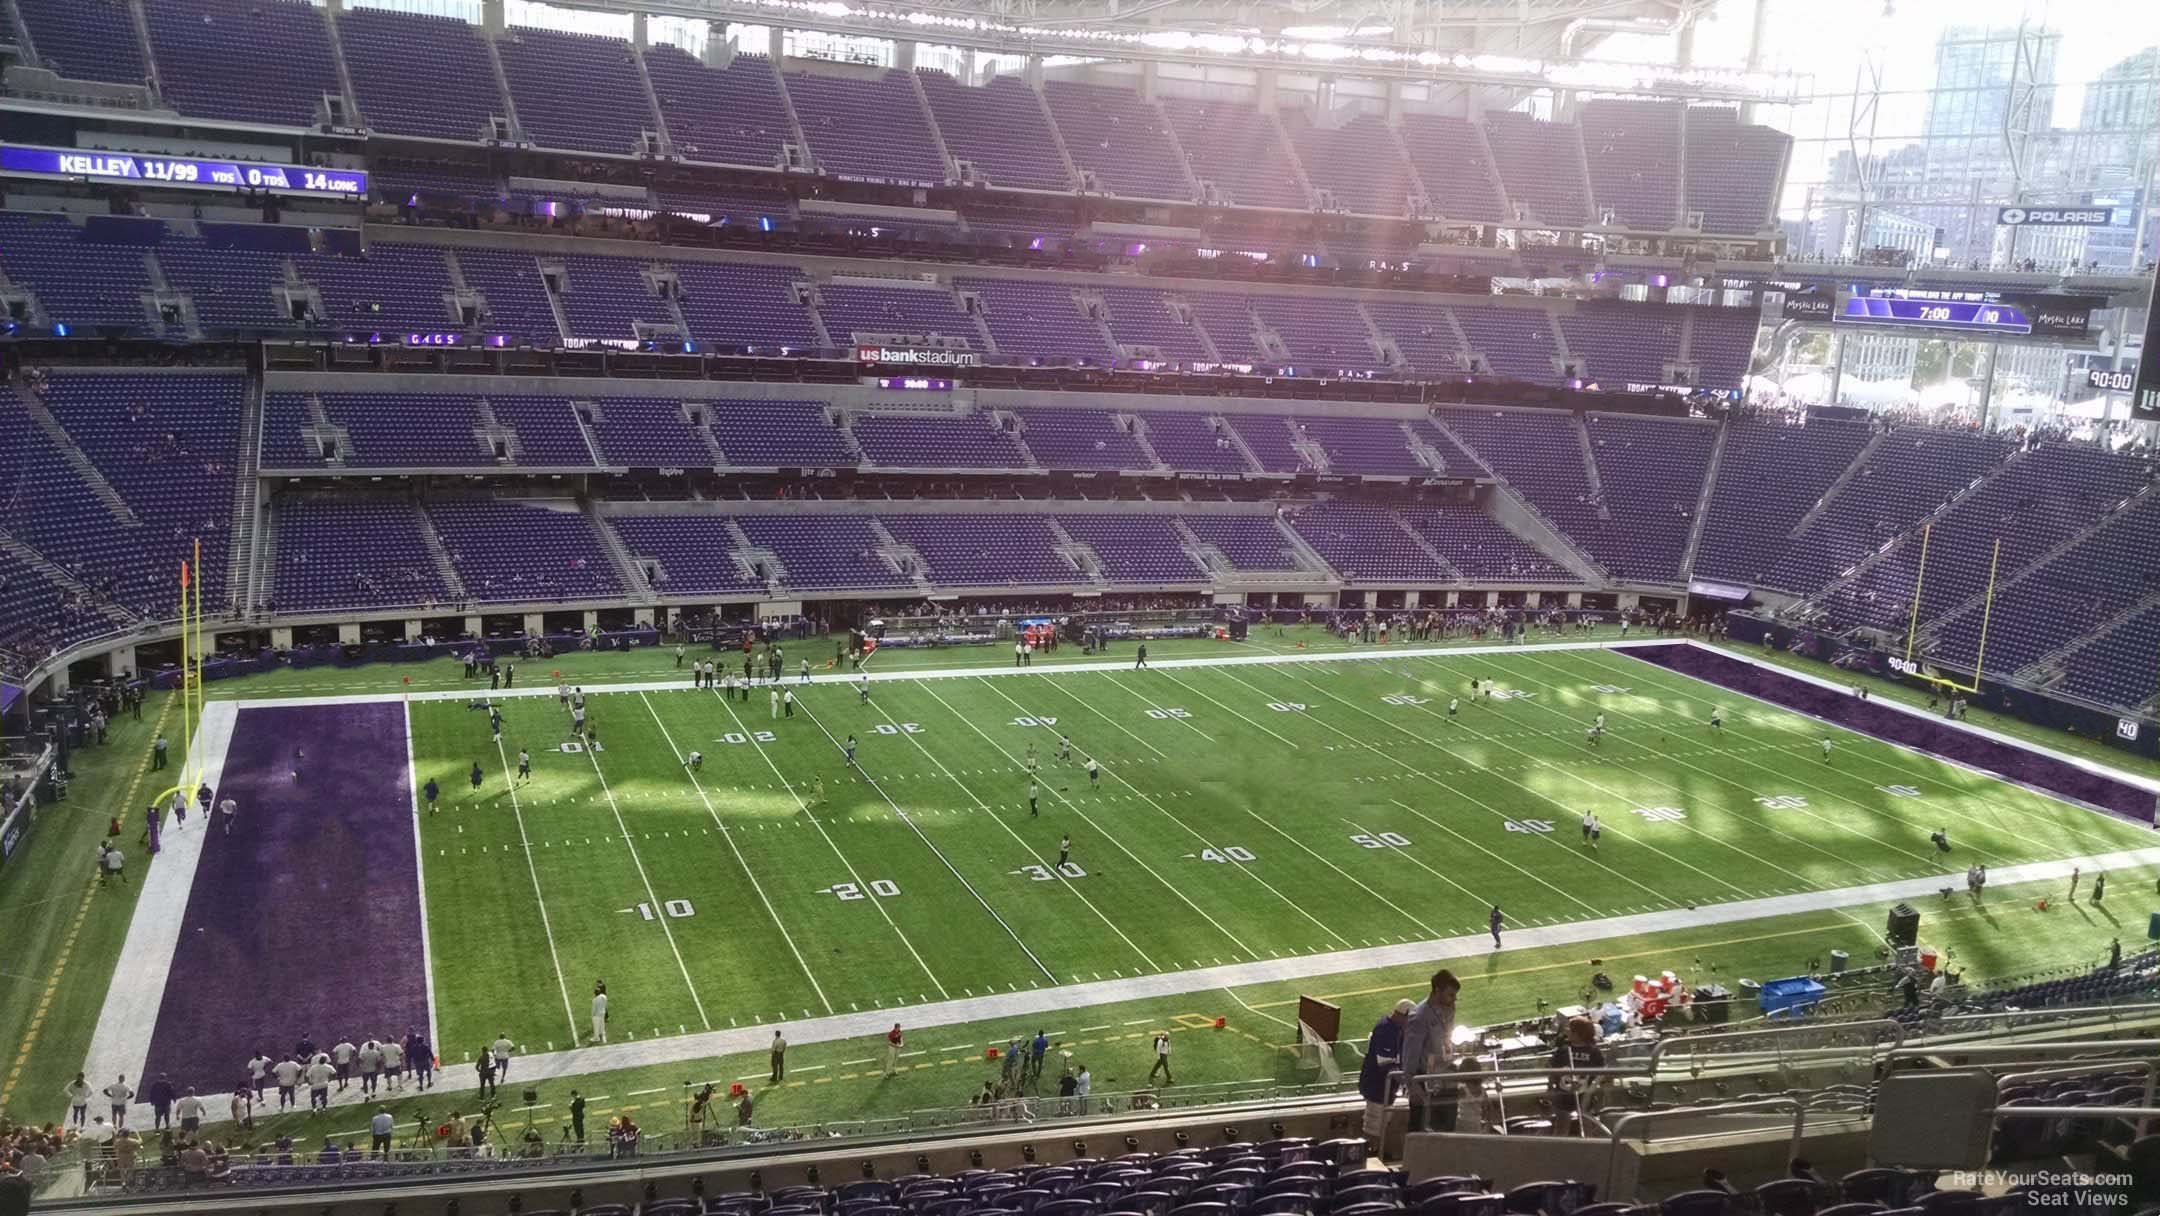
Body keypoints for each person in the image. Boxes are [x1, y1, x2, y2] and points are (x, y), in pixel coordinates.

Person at [1400, 970, 1461, 1133]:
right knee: (1422, 1131)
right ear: (1436, 991)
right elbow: (1410, 1053)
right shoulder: (1419, 1016)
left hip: (1446, 1078)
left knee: (1447, 1129)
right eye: (1450, 995)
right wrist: (1412, 1085)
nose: (1454, 999)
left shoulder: (1450, 1009)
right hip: (1426, 1081)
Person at [1358, 1000, 1413, 1138]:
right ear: (1404, 1015)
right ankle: (1370, 1154)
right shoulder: (1386, 1031)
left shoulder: (1394, 1028)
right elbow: (1386, 1064)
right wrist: (1407, 1082)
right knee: (1373, 1126)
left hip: (1385, 1089)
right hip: (1377, 1087)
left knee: (1381, 1124)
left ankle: (1375, 1151)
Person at [1548, 1016, 1604, 1137]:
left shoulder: (1594, 1052)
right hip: (1563, 1094)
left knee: (1586, 1124)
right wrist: (1551, 1086)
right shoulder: (1563, 1050)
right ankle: (1559, 1146)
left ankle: (1588, 1145)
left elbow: (1601, 1073)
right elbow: (1552, 1070)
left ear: (1578, 1033)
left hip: (1584, 1095)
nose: (1567, 1030)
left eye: (1570, 1028)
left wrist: (1593, 1088)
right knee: (1562, 1124)